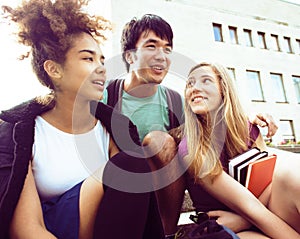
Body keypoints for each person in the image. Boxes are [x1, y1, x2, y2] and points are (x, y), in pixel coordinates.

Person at [102, 14, 279, 238]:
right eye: (151, 46)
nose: (161, 56)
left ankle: (166, 234)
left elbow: (205, 129)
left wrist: (249, 118)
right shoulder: (106, 94)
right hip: (117, 188)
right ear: (129, 55)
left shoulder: (175, 101)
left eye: (167, 49)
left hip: (159, 196)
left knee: (162, 140)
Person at [0, 1, 164, 239]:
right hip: (50, 231)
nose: (101, 69)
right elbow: (26, 228)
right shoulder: (20, 132)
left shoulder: (114, 129)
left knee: (131, 166)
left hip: (106, 231)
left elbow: (133, 210)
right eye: (88, 59)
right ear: (54, 69)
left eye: (102, 60)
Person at [176, 61, 300, 238]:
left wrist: (243, 219)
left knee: (294, 173)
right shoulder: (191, 150)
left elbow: (268, 183)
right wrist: (246, 221)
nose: (194, 88)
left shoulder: (248, 129)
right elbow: (249, 208)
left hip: (257, 212)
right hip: (228, 227)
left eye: (205, 81)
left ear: (223, 89)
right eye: (190, 83)